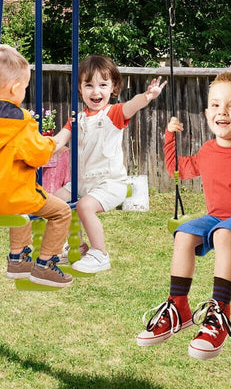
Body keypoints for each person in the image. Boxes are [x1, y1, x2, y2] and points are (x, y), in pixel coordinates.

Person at [136, 71, 231, 360]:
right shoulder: (207, 151)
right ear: (207, 113)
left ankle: (219, 312)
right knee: (183, 233)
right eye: (217, 105)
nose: (223, 111)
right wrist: (170, 137)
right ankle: (178, 306)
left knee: (222, 234)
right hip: (216, 216)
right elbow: (177, 171)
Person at [0, 44, 73, 288]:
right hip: (13, 197)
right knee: (61, 211)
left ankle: (18, 259)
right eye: (24, 87)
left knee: (20, 209)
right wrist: (59, 137)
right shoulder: (20, 124)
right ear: (15, 88)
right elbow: (40, 155)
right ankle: (45, 265)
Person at [53, 54, 166, 274]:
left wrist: (147, 97)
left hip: (110, 183)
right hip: (81, 183)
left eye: (103, 85)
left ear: (113, 87)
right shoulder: (76, 118)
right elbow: (58, 141)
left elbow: (131, 106)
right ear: (80, 88)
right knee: (57, 202)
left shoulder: (112, 113)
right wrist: (36, 148)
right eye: (89, 85)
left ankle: (100, 253)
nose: (96, 92)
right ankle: (77, 246)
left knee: (85, 206)